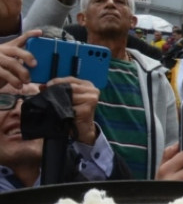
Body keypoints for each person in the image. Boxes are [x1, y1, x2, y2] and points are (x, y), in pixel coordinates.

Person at [24, 0, 178, 180]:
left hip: (140, 203)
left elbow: (171, 146)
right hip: (76, 198)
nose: (109, 4)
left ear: (132, 21)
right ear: (82, 18)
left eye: (119, 1)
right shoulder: (66, 62)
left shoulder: (156, 76)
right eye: (100, 0)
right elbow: (28, 40)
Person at [0, 77, 131, 191]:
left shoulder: (82, 170)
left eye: (34, 99)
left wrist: (87, 136)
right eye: (2, 100)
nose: (20, 110)